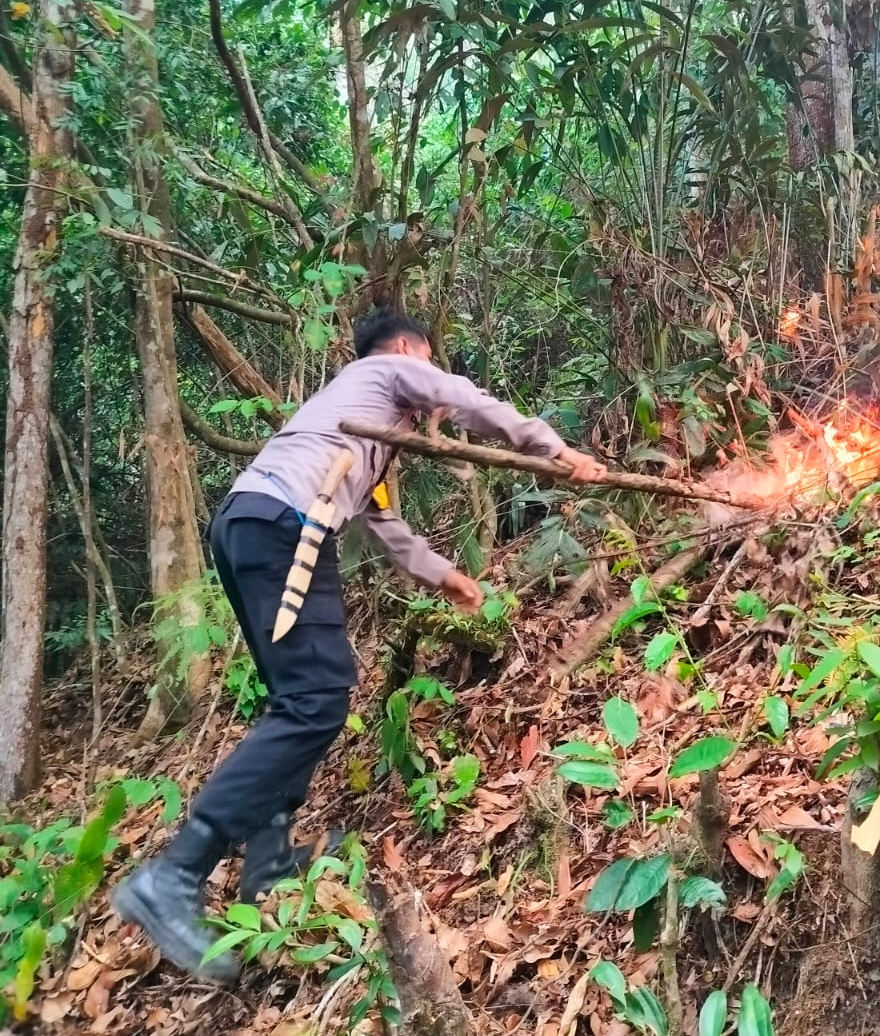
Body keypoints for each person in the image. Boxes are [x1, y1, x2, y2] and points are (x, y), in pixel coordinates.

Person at [113, 308, 606, 982]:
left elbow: (384, 521)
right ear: (408, 350)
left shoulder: (361, 427)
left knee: (296, 699)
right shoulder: (383, 370)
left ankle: (268, 860)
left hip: (252, 523)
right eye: (427, 360)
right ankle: (175, 872)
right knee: (318, 698)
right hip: (285, 525)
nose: (429, 376)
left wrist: (445, 576)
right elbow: (466, 398)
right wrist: (556, 450)